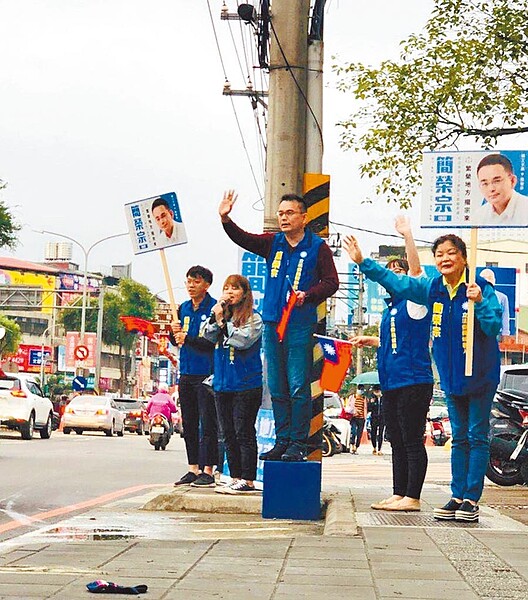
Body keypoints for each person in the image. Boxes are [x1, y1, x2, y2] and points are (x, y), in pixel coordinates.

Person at [344, 232, 502, 523]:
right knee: (460, 439)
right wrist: (364, 262)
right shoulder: (433, 289)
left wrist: (479, 301)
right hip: (452, 379)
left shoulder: (479, 287)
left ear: (464, 257)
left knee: (477, 437)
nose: (445, 258)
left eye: (451, 253)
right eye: (439, 254)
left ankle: (471, 499)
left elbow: (493, 327)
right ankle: (456, 496)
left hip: (479, 376)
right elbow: (399, 282)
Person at [219, 190, 339, 462]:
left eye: (290, 213)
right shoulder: (273, 243)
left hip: (299, 325)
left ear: (304, 217)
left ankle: (298, 442)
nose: (284, 218)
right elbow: (244, 238)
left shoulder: (317, 247)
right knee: (276, 386)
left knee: (298, 385)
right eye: (281, 213)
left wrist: (308, 295)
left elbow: (332, 282)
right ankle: (281, 440)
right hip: (273, 324)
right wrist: (226, 219)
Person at [349, 216, 434, 512]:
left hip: (413, 380)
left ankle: (413, 496)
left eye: (397, 273)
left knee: (411, 439)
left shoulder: (415, 299)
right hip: (393, 382)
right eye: (390, 272)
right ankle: (399, 493)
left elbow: (415, 271)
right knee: (395, 438)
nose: (393, 277)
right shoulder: (392, 310)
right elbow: (398, 343)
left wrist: (408, 237)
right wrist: (372, 342)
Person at [201, 274, 263, 494]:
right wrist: (215, 316)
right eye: (226, 288)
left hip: (246, 384)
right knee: (227, 433)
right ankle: (235, 476)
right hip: (222, 384)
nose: (229, 292)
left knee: (243, 431)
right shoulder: (221, 316)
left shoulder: (254, 319)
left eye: (235, 289)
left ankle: (248, 480)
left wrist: (222, 322)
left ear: (244, 293)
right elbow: (206, 336)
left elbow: (242, 340)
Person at [171, 266, 218, 488]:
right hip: (186, 371)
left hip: (206, 373)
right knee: (188, 423)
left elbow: (210, 341)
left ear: (206, 285)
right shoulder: (183, 308)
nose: (191, 286)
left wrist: (186, 337)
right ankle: (193, 467)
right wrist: (174, 333)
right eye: (188, 281)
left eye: (196, 282)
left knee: (207, 422)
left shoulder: (215, 308)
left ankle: (208, 469)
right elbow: (177, 341)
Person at [473, 154, 528, 226]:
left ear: (512, 181)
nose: (491, 189)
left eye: (497, 181)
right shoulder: (479, 217)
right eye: (485, 184)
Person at [479, 268, 510, 337]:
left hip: (495, 333)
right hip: (478, 332)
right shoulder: (475, 297)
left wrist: (505, 334)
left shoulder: (502, 297)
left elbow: (505, 317)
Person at [368, 386, 385, 456]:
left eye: (378, 391)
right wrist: (371, 403)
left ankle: (379, 449)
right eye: (375, 391)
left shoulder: (384, 398)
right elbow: (369, 408)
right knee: (373, 433)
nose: (376, 393)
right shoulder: (372, 398)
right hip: (374, 418)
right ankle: (374, 447)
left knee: (381, 433)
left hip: (382, 418)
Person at [350, 387, 367, 454]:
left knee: (359, 434)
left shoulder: (364, 398)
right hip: (353, 418)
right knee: (353, 431)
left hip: (361, 418)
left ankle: (356, 448)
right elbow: (350, 406)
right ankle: (352, 445)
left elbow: (365, 408)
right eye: (360, 389)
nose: (361, 391)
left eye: (362, 390)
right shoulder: (352, 397)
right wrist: (354, 411)